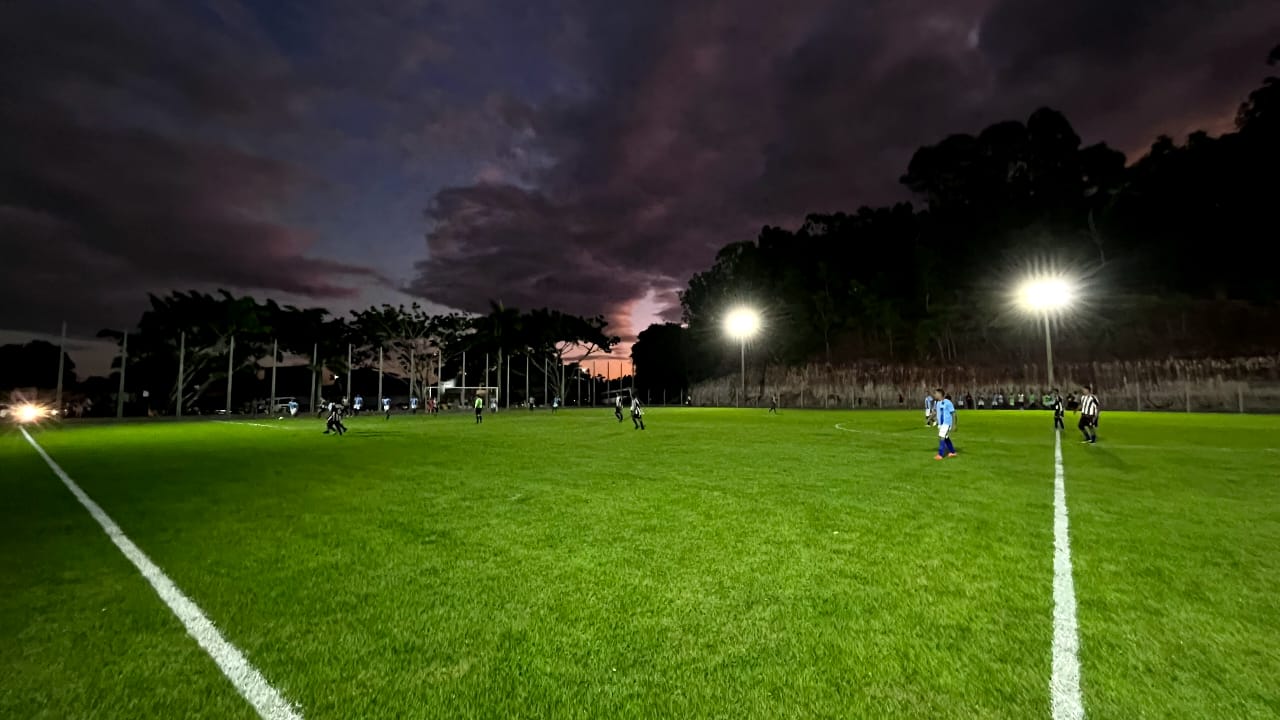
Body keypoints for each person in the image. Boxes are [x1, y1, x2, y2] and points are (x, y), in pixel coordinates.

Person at [933, 388, 957, 460]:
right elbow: (936, 413)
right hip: (941, 424)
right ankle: (952, 452)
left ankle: (940, 454)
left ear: (940, 394)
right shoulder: (937, 403)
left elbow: (953, 414)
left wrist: (954, 424)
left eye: (936, 393)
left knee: (942, 437)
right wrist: (930, 418)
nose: (934, 395)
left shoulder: (948, 402)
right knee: (945, 438)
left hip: (947, 423)